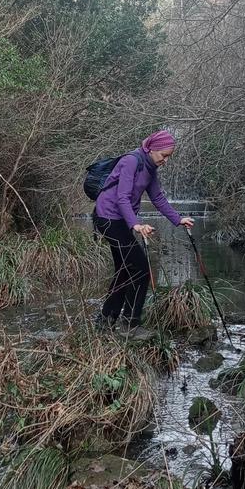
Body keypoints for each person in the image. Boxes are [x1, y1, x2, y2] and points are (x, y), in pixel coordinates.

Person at [92, 130, 194, 339]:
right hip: (108, 218)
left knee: (125, 270)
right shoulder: (132, 161)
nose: (165, 160)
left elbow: (157, 197)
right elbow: (122, 198)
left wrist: (178, 219)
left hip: (120, 219)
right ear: (151, 148)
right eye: (163, 155)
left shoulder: (150, 167)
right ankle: (130, 325)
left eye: (168, 156)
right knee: (140, 269)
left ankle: (105, 321)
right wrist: (135, 225)